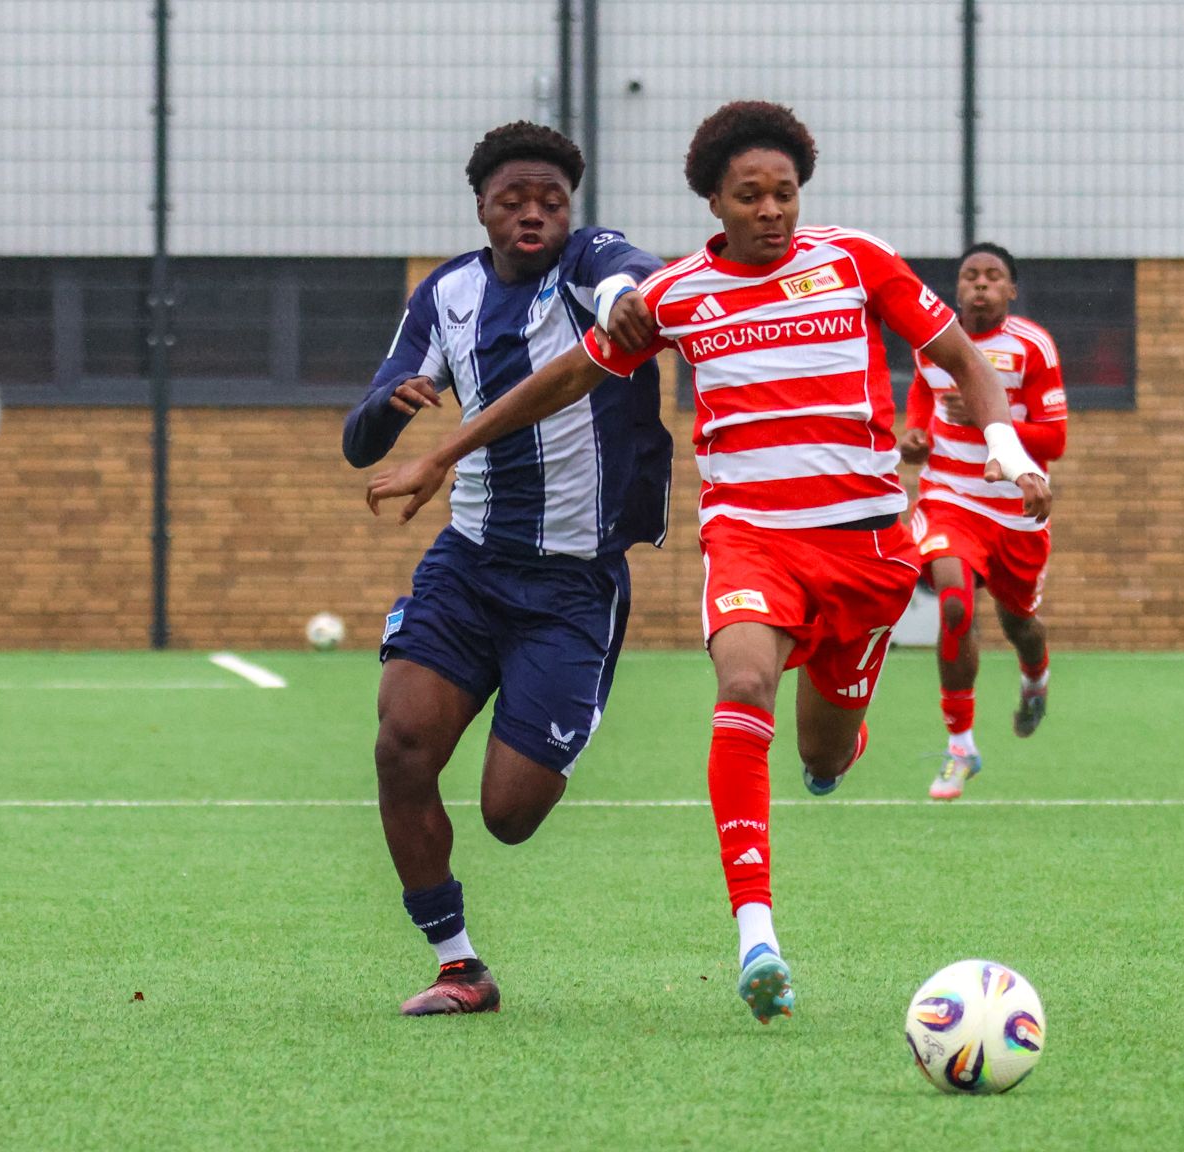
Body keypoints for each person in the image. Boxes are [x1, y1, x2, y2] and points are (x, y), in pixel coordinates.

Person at [366, 102, 1050, 1023]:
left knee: (824, 752)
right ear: (716, 201)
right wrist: (442, 455)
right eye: (751, 195)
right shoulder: (684, 294)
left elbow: (963, 358)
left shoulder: (854, 260)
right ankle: (756, 934)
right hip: (750, 539)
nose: (773, 210)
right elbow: (562, 378)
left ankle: (841, 726)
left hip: (866, 545)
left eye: (786, 193)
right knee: (740, 687)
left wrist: (1008, 451)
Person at [343, 121, 670, 1017]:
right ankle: (460, 967)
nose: (533, 213)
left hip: (573, 585)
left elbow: (626, 280)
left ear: (571, 209)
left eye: (550, 201)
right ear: (481, 209)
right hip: (469, 564)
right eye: (512, 201)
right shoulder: (443, 294)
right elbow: (358, 439)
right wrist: (385, 409)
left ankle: (569, 703)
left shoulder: (591, 262)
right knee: (400, 746)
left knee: (509, 816)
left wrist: (626, 300)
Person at [901, 244, 1068, 800]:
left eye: (993, 277)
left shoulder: (1031, 347)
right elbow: (924, 385)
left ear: (1011, 291)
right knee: (954, 602)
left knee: (1020, 622)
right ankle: (961, 747)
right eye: (970, 276)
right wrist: (917, 432)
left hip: (1014, 512)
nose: (980, 285)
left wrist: (984, 416)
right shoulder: (937, 339)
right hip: (950, 498)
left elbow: (1055, 438)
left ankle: (1035, 679)